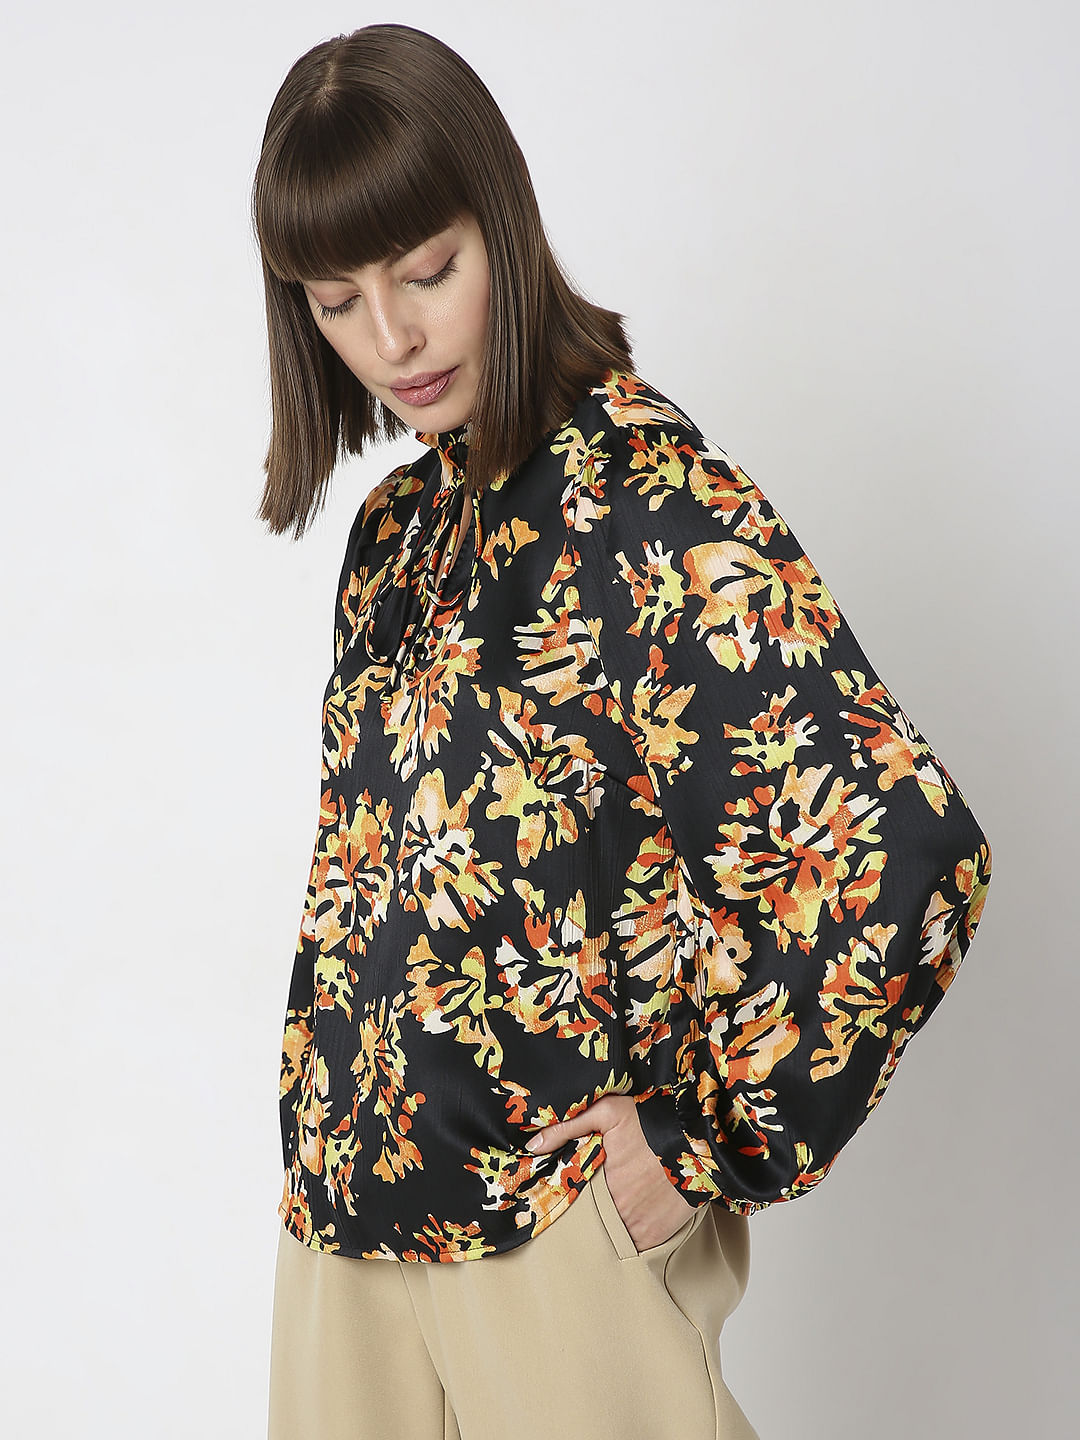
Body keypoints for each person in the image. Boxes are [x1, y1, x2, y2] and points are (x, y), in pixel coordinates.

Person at [253, 24, 993, 1440]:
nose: (391, 339)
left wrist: (699, 1137)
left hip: (550, 1243)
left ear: (503, 228)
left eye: (426, 273)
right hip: (342, 1239)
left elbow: (907, 853)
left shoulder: (644, 498)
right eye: (337, 300)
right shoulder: (396, 535)